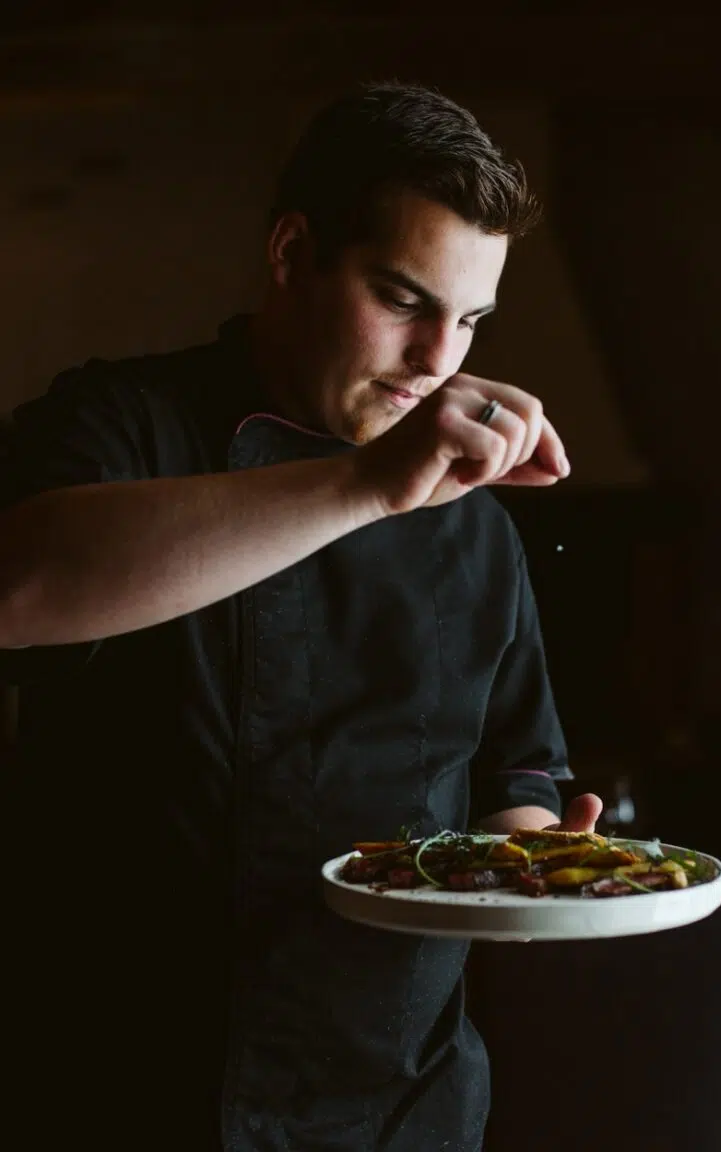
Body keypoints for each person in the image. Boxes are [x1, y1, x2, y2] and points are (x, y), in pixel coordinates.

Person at [0, 83, 601, 1151]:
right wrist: (371, 483)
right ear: (291, 253)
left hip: (396, 1106)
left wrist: (538, 868)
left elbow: (518, 773)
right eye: (404, 299)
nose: (438, 360)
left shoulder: (475, 525)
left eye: (470, 321)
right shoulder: (120, 421)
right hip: (117, 1085)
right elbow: (21, 590)